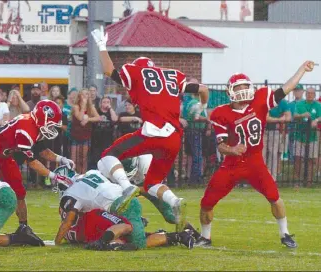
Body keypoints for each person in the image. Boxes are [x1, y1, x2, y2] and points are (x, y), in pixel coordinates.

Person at [91, 26, 209, 229]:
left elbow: (109, 70)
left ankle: (127, 187)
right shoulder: (172, 75)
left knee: (108, 155)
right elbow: (203, 89)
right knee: (152, 182)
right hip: (173, 138)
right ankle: (174, 202)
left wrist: (102, 46)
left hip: (152, 133)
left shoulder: (136, 72)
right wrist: (203, 106)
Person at [196, 61, 315, 249]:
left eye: (245, 86)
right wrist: (232, 149)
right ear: (230, 91)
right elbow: (220, 145)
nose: (243, 90)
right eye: (239, 87)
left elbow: (286, 88)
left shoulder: (260, 99)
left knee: (274, 197)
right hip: (232, 164)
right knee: (207, 202)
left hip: (255, 161)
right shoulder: (222, 113)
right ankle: (205, 237)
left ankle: (285, 234)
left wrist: (302, 70)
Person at [0, 100, 75, 241]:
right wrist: (54, 176)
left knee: (19, 191)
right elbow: (32, 162)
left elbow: (41, 151)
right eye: (51, 124)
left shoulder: (35, 125)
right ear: (42, 118)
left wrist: (61, 159)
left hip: (5, 155)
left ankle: (23, 227)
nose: (52, 128)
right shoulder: (26, 128)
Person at [53, 166, 194, 250]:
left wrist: (57, 243)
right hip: (124, 196)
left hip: (121, 205)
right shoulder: (90, 173)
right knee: (127, 237)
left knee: (137, 244)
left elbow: (68, 222)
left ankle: (180, 235)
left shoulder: (71, 192)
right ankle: (172, 229)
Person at [293, 87, 321, 187]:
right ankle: (297, 181)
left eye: (311, 93)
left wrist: (316, 120)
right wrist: (302, 115)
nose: (309, 95)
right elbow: (294, 115)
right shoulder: (299, 104)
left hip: (313, 136)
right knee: (297, 158)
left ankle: (309, 182)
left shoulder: (318, 105)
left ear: (314, 95)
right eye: (308, 93)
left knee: (311, 159)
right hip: (300, 135)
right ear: (305, 94)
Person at [70, 88, 101, 173]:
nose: (84, 96)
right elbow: (80, 117)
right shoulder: (76, 106)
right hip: (76, 135)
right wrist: (83, 106)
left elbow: (98, 118)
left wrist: (88, 119)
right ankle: (73, 176)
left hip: (86, 135)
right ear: (79, 96)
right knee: (74, 158)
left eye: (86, 94)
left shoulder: (91, 107)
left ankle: (82, 176)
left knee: (83, 158)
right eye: (83, 94)